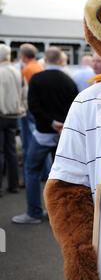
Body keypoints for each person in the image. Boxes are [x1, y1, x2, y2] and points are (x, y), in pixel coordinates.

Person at [12, 47, 78, 224]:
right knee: (61, 175)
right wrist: (62, 124)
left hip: (42, 133)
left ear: (46, 60)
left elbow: (33, 106)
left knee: (32, 170)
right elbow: (74, 109)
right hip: (63, 135)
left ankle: (33, 212)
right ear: (61, 61)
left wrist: (50, 122)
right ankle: (59, 213)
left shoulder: (37, 79)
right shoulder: (69, 81)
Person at [19, 44, 47, 187]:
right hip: (42, 110)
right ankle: (45, 173)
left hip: (29, 110)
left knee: (30, 144)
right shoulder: (40, 67)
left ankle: (27, 178)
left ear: (23, 56)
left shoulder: (26, 70)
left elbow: (23, 92)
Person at [0, 44, 27, 197]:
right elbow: (25, 93)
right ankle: (14, 185)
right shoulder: (17, 71)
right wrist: (21, 108)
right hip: (14, 116)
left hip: (1, 114)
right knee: (11, 151)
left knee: (1, 151)